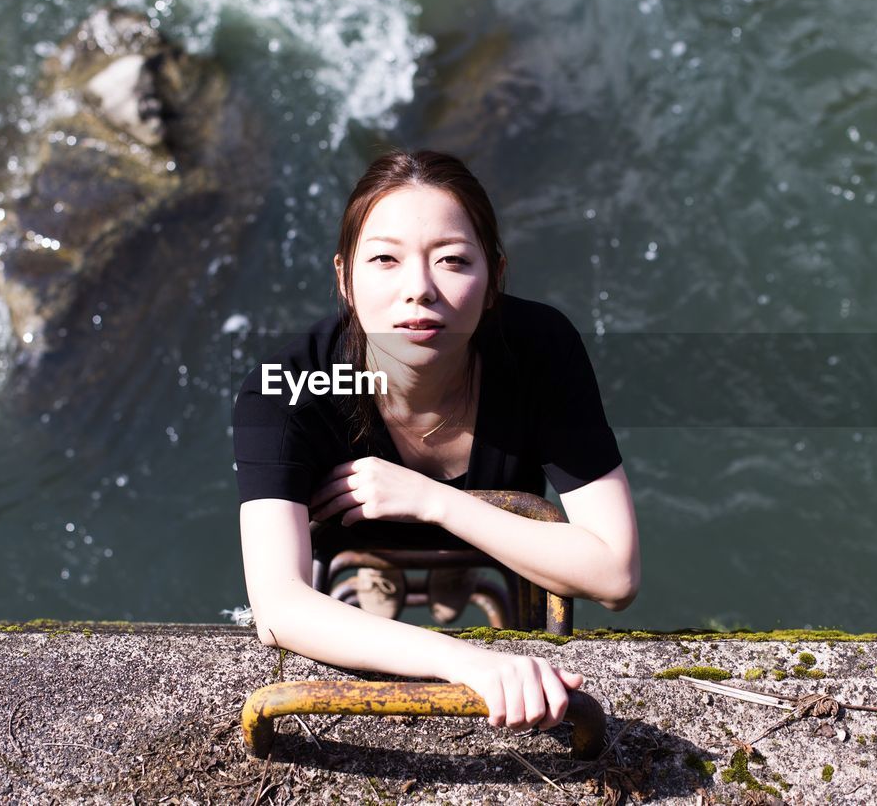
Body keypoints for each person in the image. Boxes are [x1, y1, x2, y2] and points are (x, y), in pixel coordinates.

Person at [234, 150, 640, 733]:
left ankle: (452, 577)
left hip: (486, 534)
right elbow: (278, 607)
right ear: (345, 279)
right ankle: (380, 572)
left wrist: (435, 501)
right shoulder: (285, 388)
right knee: (375, 572)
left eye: (451, 260)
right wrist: (463, 660)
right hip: (359, 530)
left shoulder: (540, 348)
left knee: (460, 570)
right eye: (384, 260)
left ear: (495, 277)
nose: (419, 289)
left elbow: (616, 575)